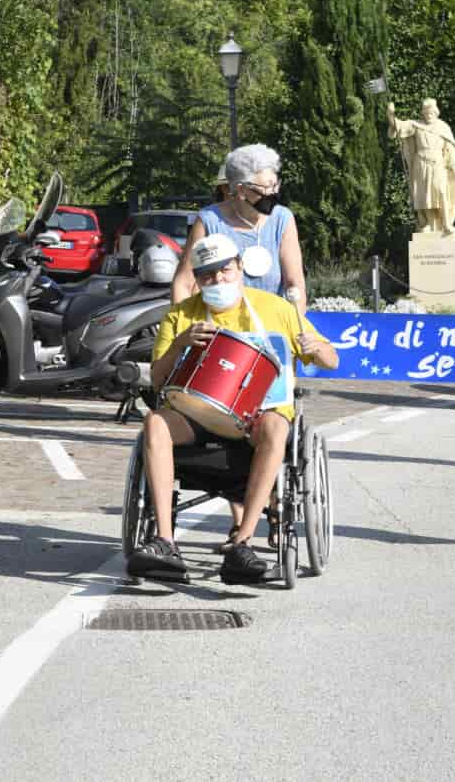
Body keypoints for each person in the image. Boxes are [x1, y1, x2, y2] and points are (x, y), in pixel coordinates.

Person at [128, 234, 339, 582]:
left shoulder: (275, 309)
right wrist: (181, 342)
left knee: (277, 427)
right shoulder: (181, 316)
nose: (218, 280)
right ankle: (165, 540)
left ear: (240, 268)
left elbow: (331, 359)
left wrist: (316, 347)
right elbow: (157, 381)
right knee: (154, 422)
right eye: (207, 275)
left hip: (256, 418)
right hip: (196, 413)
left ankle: (243, 542)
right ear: (196, 279)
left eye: (225, 271)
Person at [174, 144, 308, 312]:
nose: (273, 193)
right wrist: (184, 329)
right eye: (266, 188)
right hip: (219, 327)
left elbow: (295, 284)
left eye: (275, 185)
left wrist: (296, 329)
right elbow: (184, 283)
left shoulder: (283, 219)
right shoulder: (208, 220)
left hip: (273, 328)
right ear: (241, 189)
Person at [388, 98, 455, 235]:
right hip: (421, 164)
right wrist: (390, 114)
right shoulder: (415, 125)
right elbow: (398, 126)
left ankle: (446, 224)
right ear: (423, 113)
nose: (428, 115)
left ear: (435, 113)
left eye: (431, 113)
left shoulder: (443, 127)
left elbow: (449, 148)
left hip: (437, 164)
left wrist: (452, 164)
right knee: (424, 196)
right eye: (426, 113)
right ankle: (427, 224)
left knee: (441, 192)